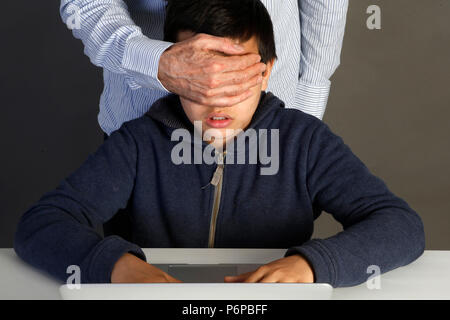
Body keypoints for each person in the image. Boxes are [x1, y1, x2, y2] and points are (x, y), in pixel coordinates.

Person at [15, 0, 424, 287]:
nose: (216, 99)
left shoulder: (304, 143)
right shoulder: (140, 142)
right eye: (202, 81)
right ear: (179, 73)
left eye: (235, 80)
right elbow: (41, 225)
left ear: (266, 74)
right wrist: (113, 266)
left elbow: (402, 227)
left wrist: (314, 264)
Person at [60, 0, 349, 136]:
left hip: (273, 125)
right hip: (143, 120)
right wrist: (155, 63)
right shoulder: (128, 157)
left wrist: (305, 109)